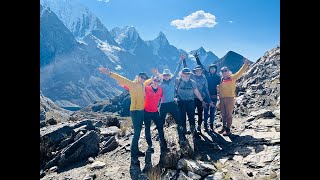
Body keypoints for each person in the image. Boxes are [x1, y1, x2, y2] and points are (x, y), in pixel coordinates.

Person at [98, 66, 151, 165]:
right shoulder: (132, 84)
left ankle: (136, 150)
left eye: (144, 78)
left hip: (141, 111)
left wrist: (155, 76)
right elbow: (121, 78)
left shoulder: (143, 85)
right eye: (142, 77)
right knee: (136, 133)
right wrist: (109, 73)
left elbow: (148, 81)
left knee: (138, 132)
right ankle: (133, 155)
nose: (143, 79)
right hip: (135, 111)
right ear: (138, 77)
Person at [152, 55, 184, 142]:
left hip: (172, 103)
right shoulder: (160, 83)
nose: (166, 76)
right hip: (163, 104)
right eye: (165, 75)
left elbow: (177, 70)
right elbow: (154, 85)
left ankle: (181, 135)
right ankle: (160, 136)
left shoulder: (173, 80)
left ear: (170, 76)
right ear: (163, 76)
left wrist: (180, 61)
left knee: (178, 119)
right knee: (161, 121)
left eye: (167, 75)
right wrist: (156, 73)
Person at [218, 59, 249, 136]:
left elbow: (239, 73)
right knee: (223, 114)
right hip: (222, 99)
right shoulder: (221, 79)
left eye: (225, 71)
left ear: (228, 71)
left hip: (230, 98)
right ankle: (224, 127)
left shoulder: (232, 77)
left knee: (228, 114)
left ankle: (228, 130)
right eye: (222, 71)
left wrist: (245, 65)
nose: (224, 72)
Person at [182, 56, 211, 134]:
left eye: (200, 71)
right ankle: (192, 127)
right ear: (195, 71)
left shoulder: (204, 79)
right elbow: (186, 68)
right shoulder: (191, 76)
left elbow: (206, 90)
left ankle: (199, 126)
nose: (198, 72)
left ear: (201, 71)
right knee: (191, 113)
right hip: (192, 98)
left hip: (201, 98)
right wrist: (183, 60)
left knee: (200, 113)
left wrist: (209, 100)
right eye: (197, 71)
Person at [175, 67, 206, 136]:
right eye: (185, 73)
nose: (187, 75)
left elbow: (196, 92)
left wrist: (202, 100)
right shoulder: (177, 81)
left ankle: (193, 131)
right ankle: (184, 131)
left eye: (188, 74)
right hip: (181, 102)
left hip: (190, 102)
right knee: (182, 117)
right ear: (182, 74)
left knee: (191, 117)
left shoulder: (192, 82)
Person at [194, 53, 221, 132]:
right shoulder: (206, 74)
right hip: (206, 97)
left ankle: (211, 126)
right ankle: (205, 125)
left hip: (214, 97)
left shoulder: (218, 78)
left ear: (215, 69)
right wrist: (197, 58)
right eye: (211, 69)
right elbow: (201, 66)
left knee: (212, 112)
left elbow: (221, 87)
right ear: (209, 70)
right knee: (205, 112)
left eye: (214, 69)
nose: (212, 70)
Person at [143, 76, 167, 156]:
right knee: (147, 128)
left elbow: (162, 98)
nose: (157, 82)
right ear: (152, 81)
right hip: (146, 111)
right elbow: (140, 86)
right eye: (155, 80)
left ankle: (163, 143)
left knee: (160, 127)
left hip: (155, 111)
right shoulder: (146, 88)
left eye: (158, 81)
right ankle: (150, 145)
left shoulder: (160, 89)